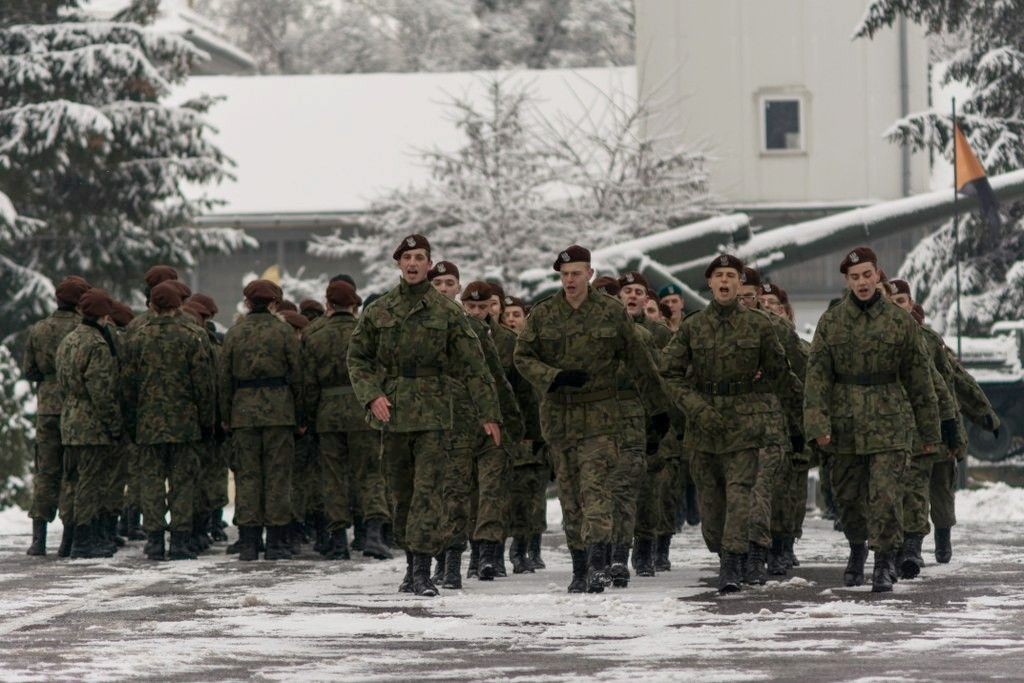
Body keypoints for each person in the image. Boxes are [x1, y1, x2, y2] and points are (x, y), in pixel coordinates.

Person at [348, 235, 501, 597]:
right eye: (407, 258)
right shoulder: (380, 310)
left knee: (428, 492)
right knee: (400, 492)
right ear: (398, 264)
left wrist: (489, 413)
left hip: (435, 413)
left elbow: (474, 366)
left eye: (420, 258)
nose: (413, 263)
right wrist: (372, 396)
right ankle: (411, 562)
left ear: (429, 264)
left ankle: (420, 569)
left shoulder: (447, 312)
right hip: (395, 411)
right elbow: (357, 358)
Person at [515, 245, 667, 594]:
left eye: (576, 274)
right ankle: (580, 567)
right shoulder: (543, 314)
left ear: (590, 275)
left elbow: (640, 361)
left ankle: (599, 565)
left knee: (596, 490)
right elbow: (522, 356)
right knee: (571, 497)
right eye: (565, 275)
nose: (570, 280)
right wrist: (553, 376)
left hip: (601, 417)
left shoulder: (611, 313)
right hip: (560, 417)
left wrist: (658, 411)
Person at [660, 254, 802, 593]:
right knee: (712, 506)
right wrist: (695, 407)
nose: (725, 281)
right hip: (705, 423)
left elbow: (782, 374)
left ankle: (732, 563)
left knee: (741, 496)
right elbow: (669, 373)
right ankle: (723, 549)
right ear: (709, 283)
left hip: (746, 423)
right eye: (718, 276)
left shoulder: (759, 324)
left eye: (731, 276)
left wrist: (800, 422)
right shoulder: (693, 326)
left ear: (740, 284)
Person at [804, 247, 940, 592]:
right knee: (848, 498)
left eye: (867, 275)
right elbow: (817, 378)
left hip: (890, 420)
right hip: (844, 422)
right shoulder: (831, 322)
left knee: (886, 496)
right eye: (854, 277)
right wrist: (818, 424)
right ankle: (856, 549)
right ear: (846, 281)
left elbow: (920, 379)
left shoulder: (899, 321)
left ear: (877, 275)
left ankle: (883, 562)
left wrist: (929, 430)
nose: (862, 282)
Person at [124, 282, 214, 560]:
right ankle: (179, 539)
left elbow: (127, 385)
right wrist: (207, 420)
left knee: (151, 480)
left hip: (148, 423)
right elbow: (204, 385)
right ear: (178, 306)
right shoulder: (193, 336)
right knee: (182, 482)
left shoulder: (137, 338)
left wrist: (131, 422)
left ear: (152, 306)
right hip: (185, 424)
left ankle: (153, 539)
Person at [303, 280, 392, 561]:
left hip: (328, 413)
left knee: (333, 477)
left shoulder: (313, 334)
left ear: (328, 304)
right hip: (364, 408)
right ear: (354, 304)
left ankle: (338, 539)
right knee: (370, 473)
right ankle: (373, 535)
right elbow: (382, 372)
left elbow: (307, 382)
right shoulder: (366, 331)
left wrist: (308, 416)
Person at [218, 279, 303, 561]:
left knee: (247, 477)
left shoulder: (234, 333)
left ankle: (249, 542)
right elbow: (298, 376)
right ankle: (277, 541)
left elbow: (224, 379)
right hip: (280, 412)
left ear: (247, 303)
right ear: (274, 303)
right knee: (278, 476)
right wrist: (300, 416)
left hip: (243, 412)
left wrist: (225, 416)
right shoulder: (285, 332)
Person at [22, 276, 91, 556]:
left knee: (45, 470)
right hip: (75, 405)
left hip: (47, 406)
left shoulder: (39, 329)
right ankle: (68, 539)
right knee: (71, 473)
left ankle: (38, 538)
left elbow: (29, 370)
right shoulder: (82, 329)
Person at [56, 288, 123, 559]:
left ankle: (69, 537)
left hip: (69, 419)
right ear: (104, 315)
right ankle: (84, 540)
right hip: (91, 423)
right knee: (90, 481)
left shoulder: (68, 340)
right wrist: (114, 424)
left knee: (70, 480)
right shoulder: (96, 344)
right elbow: (102, 391)